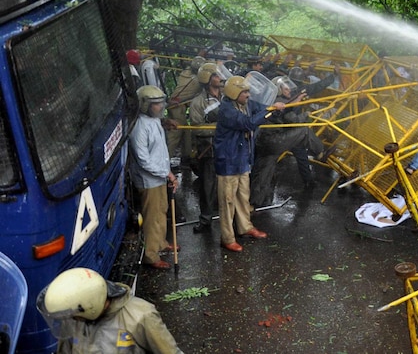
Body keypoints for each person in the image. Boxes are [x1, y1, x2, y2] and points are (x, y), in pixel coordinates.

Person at [214, 76, 286, 252]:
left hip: (242, 159)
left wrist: (274, 108)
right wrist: (269, 110)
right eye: (244, 92)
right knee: (228, 201)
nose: (248, 94)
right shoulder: (226, 110)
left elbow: (261, 108)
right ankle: (227, 237)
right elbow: (248, 123)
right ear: (234, 93)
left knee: (243, 196)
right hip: (228, 161)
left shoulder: (246, 104)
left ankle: (245, 226)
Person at [36, 267, 183, 353]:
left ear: (89, 307)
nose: (71, 319)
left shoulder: (141, 316)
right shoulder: (74, 315)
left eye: (74, 316)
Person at [250, 76, 326, 206]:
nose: (288, 89)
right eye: (285, 86)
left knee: (264, 172)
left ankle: (254, 203)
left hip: (262, 141)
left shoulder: (272, 100)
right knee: (305, 131)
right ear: (278, 89)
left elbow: (288, 108)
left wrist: (296, 100)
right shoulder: (280, 102)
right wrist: (305, 115)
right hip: (274, 140)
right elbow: (293, 121)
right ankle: (321, 153)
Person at [128, 85, 179, 270]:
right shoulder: (139, 127)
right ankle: (151, 254)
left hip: (159, 176)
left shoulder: (154, 119)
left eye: (161, 103)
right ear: (145, 105)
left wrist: (166, 122)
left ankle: (161, 242)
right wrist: (168, 173)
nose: (160, 107)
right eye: (156, 104)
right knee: (152, 217)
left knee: (161, 210)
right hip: (149, 179)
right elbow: (143, 160)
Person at [188, 63, 222, 234]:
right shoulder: (197, 102)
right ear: (207, 79)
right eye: (216, 75)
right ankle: (206, 219)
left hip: (227, 148)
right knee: (207, 185)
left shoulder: (227, 96)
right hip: (209, 149)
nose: (220, 78)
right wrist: (219, 126)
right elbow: (197, 128)